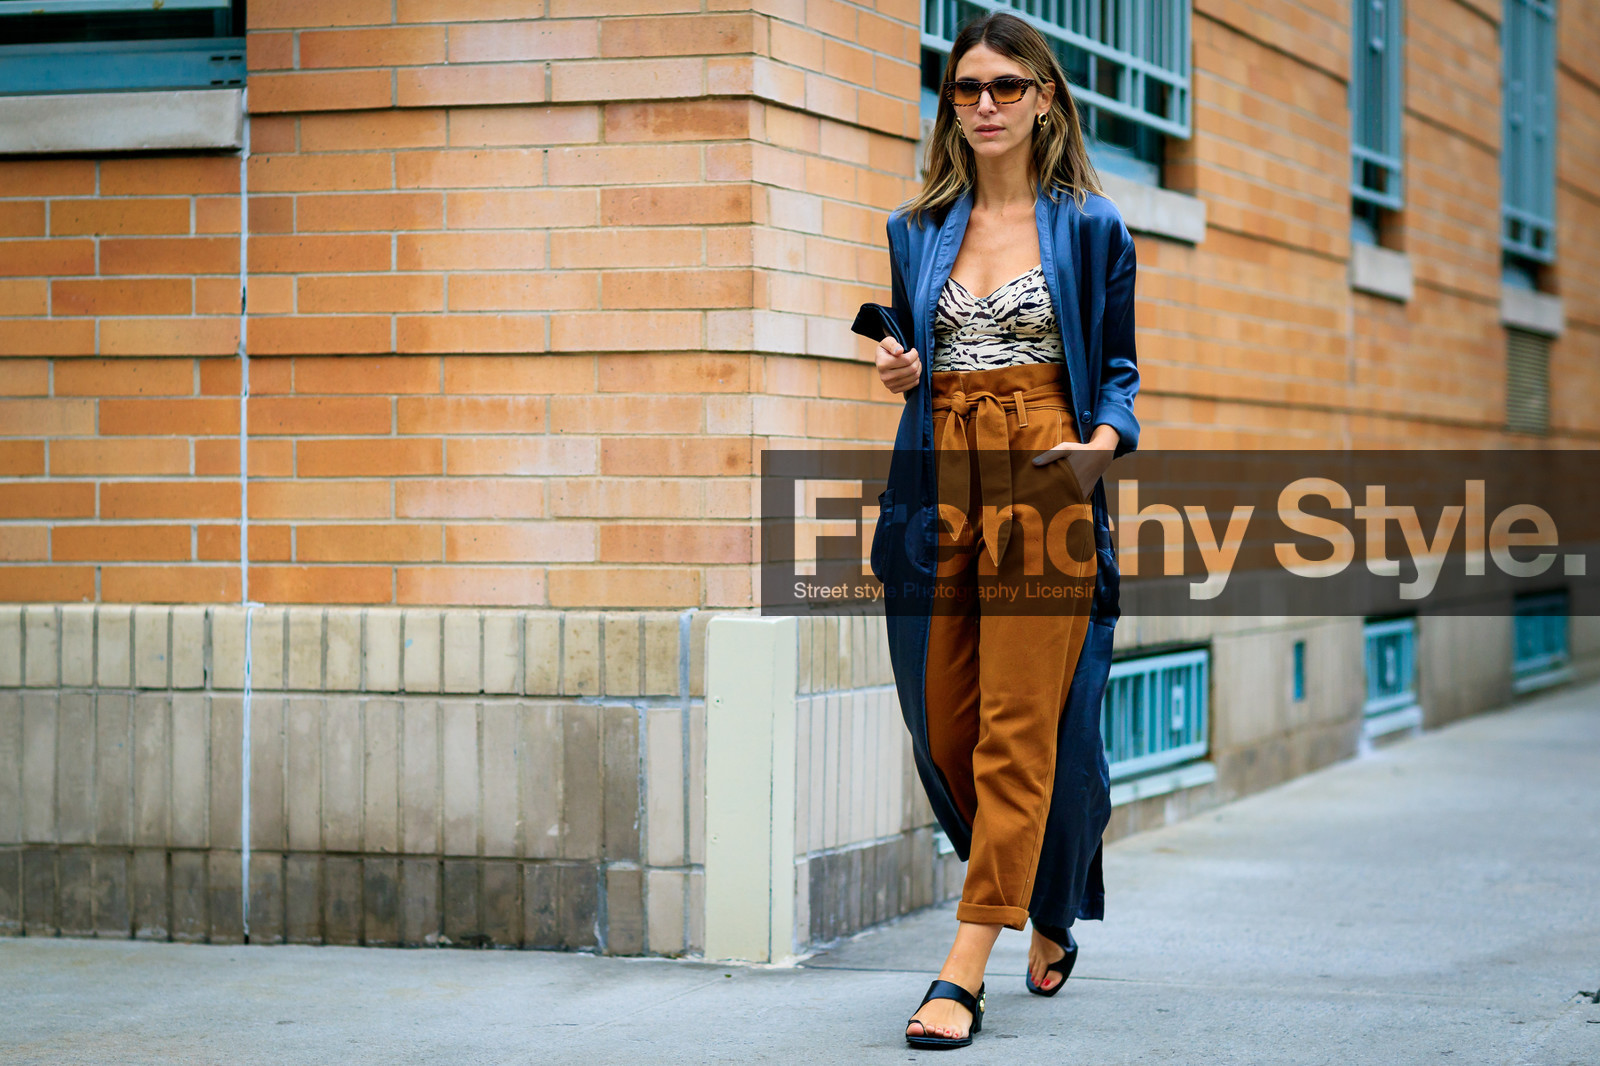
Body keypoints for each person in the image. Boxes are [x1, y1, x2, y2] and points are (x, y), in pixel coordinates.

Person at [869, 10, 1141, 1051]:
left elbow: (1116, 371)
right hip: (940, 471)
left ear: (1044, 99)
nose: (983, 105)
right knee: (945, 725)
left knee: (1020, 727)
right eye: (966, 89)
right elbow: (911, 359)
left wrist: (1100, 446)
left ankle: (962, 964)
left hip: (1042, 471)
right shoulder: (915, 229)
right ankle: (1048, 893)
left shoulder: (1090, 226)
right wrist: (899, 372)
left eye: (1004, 87)